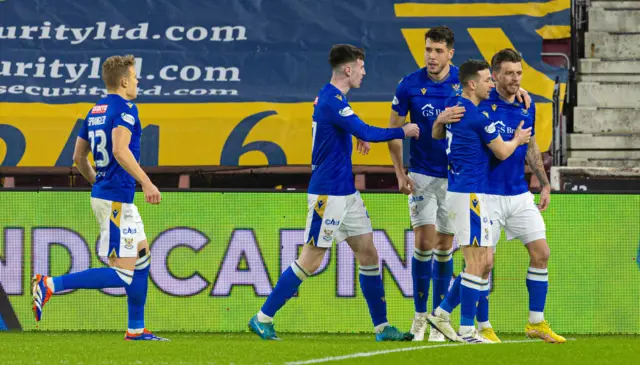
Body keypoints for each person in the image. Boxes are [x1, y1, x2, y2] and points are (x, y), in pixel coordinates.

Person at [248, 44, 419, 341]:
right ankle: (262, 317)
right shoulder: (331, 99)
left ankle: (382, 328)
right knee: (311, 261)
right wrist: (402, 131)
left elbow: (345, 128)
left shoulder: (333, 99)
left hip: (346, 193)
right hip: (329, 194)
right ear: (349, 69)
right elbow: (366, 131)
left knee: (368, 254)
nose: (365, 72)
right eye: (362, 67)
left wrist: (353, 136)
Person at [387, 26, 530, 342]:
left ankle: (443, 319)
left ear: (450, 53)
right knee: (429, 245)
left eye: (438, 50)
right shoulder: (410, 85)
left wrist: (520, 93)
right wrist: (400, 172)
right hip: (428, 175)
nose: (432, 56)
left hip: (453, 180)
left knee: (447, 249)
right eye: (428, 50)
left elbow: (499, 89)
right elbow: (395, 130)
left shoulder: (466, 88)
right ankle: (424, 317)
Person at [31, 55, 167, 341]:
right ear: (124, 81)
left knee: (141, 260)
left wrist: (97, 182)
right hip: (117, 201)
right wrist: (147, 182)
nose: (138, 81)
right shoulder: (127, 109)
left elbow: (78, 156)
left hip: (109, 196)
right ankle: (50, 284)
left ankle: (136, 329)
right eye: (135, 76)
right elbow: (119, 150)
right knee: (123, 274)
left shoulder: (94, 111)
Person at [434, 49, 565, 343]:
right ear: (493, 76)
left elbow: (529, 146)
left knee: (541, 253)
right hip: (486, 194)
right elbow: (455, 103)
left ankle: (536, 322)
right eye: (508, 73)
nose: (515, 79)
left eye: (519, 73)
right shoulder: (479, 101)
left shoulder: (525, 104)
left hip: (518, 192)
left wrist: (542, 182)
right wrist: (440, 119)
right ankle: (479, 325)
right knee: (483, 263)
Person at [427, 59, 531, 343]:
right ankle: (466, 329)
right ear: (472, 84)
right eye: (487, 80)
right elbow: (501, 152)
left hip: (466, 191)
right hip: (469, 193)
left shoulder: (455, 110)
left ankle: (442, 314)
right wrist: (519, 139)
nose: (491, 84)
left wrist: (437, 121)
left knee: (483, 261)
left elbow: (437, 135)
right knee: (476, 261)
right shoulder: (474, 116)